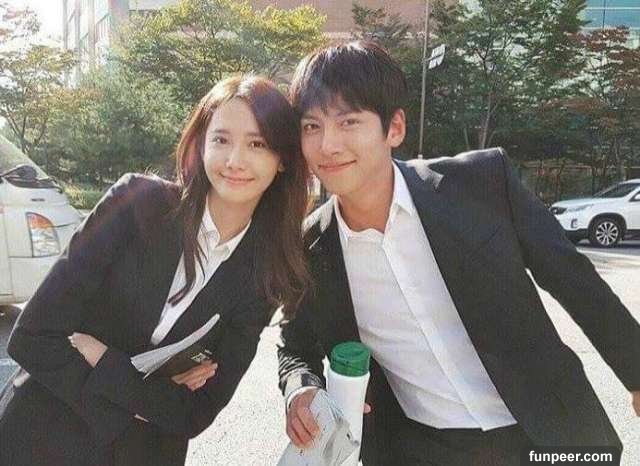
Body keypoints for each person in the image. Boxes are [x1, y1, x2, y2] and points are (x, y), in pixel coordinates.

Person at [278, 41, 640, 465]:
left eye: (348, 121)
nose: (327, 145)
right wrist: (301, 388)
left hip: (545, 433)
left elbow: (576, 282)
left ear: (394, 128)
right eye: (312, 126)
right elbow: (294, 344)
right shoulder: (309, 245)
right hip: (417, 450)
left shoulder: (482, 183)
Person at [0, 75, 310, 466]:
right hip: (39, 437)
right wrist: (148, 398)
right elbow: (31, 337)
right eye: (221, 139)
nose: (234, 160)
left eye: (257, 144)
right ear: (201, 143)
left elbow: (195, 413)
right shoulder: (138, 203)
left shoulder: (263, 276)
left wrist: (101, 356)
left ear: (282, 159)